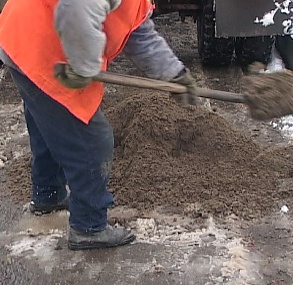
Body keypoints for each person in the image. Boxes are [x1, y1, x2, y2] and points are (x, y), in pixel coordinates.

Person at [0, 0, 197, 250]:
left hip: (23, 39)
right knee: (92, 140)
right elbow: (77, 6)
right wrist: (84, 66)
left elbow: (137, 31)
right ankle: (89, 226)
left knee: (48, 124)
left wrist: (174, 74)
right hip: (42, 47)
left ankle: (47, 194)